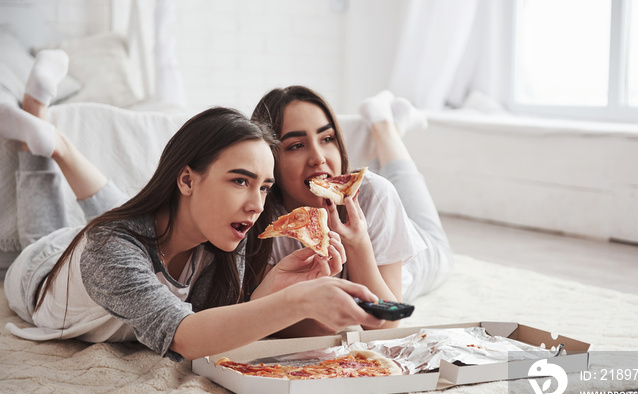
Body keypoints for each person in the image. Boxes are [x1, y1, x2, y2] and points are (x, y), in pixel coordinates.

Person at [1, 51, 383, 361]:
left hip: (130, 234)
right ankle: (44, 124)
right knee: (62, 233)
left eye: (265, 187)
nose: (256, 205)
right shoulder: (108, 251)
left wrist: (273, 288)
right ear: (186, 178)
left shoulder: (227, 234)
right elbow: (186, 336)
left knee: (129, 214)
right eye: (240, 181)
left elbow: (220, 322)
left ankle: (50, 134)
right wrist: (296, 301)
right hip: (41, 267)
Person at [251, 86, 453, 324]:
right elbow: (262, 315)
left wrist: (358, 243)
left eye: (327, 139)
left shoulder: (375, 194)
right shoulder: (260, 216)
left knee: (441, 248)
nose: (319, 158)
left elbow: (387, 325)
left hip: (419, 259)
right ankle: (388, 128)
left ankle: (384, 127)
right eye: (296, 145)